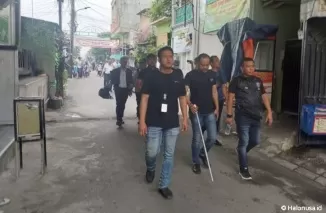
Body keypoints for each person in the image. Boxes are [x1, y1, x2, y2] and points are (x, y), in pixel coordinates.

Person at [138, 46, 188, 199]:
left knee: (168, 155)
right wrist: (142, 122)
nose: (169, 59)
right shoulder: (151, 76)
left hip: (172, 122)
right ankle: (151, 168)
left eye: (171, 56)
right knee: (152, 152)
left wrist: (185, 118)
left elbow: (182, 98)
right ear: (159, 60)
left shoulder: (178, 76)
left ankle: (164, 185)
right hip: (153, 121)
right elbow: (144, 98)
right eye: (165, 56)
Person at [226, 57, 273, 180]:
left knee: (255, 141)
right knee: (244, 141)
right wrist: (229, 115)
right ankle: (244, 169)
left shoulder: (258, 81)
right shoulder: (236, 81)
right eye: (248, 66)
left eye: (252, 66)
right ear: (242, 67)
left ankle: (241, 152)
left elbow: (263, 96)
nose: (251, 68)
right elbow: (230, 98)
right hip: (243, 116)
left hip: (256, 116)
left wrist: (269, 111)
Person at [185, 53, 219, 174]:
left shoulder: (212, 75)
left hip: (210, 110)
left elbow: (214, 92)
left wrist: (217, 108)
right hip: (196, 112)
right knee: (197, 139)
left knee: (212, 137)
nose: (205, 67)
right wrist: (190, 105)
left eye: (207, 65)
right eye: (202, 65)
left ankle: (202, 153)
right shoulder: (190, 75)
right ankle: (196, 162)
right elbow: (185, 93)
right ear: (198, 63)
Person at [201, 56, 227, 146]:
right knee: (208, 117)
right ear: (211, 64)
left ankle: (213, 137)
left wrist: (226, 97)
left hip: (219, 98)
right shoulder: (207, 73)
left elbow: (224, 85)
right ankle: (201, 131)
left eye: (218, 61)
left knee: (217, 118)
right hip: (209, 99)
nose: (218, 62)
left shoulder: (221, 72)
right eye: (216, 61)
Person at [110, 57, 134, 127]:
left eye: (126, 62)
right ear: (120, 62)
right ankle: (119, 119)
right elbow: (112, 80)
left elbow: (131, 81)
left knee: (123, 104)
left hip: (125, 90)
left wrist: (130, 89)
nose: (125, 63)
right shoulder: (115, 71)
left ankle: (121, 117)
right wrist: (112, 87)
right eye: (123, 62)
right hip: (118, 90)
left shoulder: (129, 71)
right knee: (118, 104)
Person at [135, 54, 158, 121]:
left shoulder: (158, 71)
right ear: (147, 61)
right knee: (142, 108)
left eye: (154, 59)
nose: (152, 61)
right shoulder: (143, 72)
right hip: (143, 94)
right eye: (150, 59)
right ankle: (141, 120)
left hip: (155, 95)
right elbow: (138, 84)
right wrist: (138, 95)